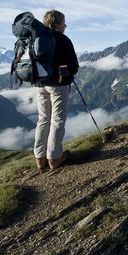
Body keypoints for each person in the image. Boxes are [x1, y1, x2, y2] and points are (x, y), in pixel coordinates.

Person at [33, 10, 79, 170]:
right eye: (63, 22)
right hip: (58, 85)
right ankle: (54, 157)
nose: (65, 25)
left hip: (39, 84)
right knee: (57, 120)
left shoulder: (36, 38)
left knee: (43, 119)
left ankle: (40, 158)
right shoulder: (62, 39)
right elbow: (74, 66)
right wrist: (68, 72)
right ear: (57, 23)